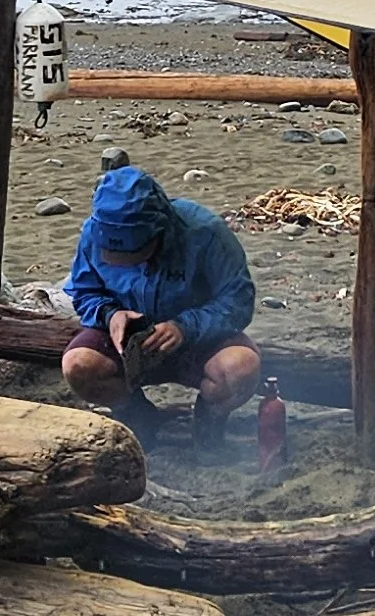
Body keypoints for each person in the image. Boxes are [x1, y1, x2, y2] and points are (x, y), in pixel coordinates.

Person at [61, 163, 260, 440]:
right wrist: (110, 315)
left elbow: (239, 299)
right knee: (78, 366)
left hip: (198, 341)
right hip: (126, 346)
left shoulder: (205, 232)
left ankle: (207, 424)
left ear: (160, 229)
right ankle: (138, 417)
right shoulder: (94, 232)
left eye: (138, 253)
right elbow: (84, 290)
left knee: (240, 368)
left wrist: (185, 327)